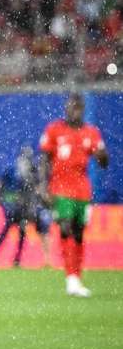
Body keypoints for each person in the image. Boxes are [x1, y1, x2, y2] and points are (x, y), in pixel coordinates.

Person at [39, 93, 109, 297]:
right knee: (66, 227)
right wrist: (44, 187)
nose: (74, 111)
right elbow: (44, 160)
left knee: (78, 234)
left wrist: (102, 155)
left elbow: (104, 162)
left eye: (78, 108)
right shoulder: (55, 130)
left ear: (83, 110)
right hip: (60, 189)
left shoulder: (91, 133)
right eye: (71, 107)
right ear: (66, 108)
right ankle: (70, 278)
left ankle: (76, 277)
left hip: (82, 191)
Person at [0, 147, 33, 267]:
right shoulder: (12, 169)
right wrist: (0, 199)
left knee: (21, 231)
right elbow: (0, 182)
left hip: (20, 206)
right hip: (11, 205)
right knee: (6, 231)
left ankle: (17, 260)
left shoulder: (28, 173)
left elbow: (27, 191)